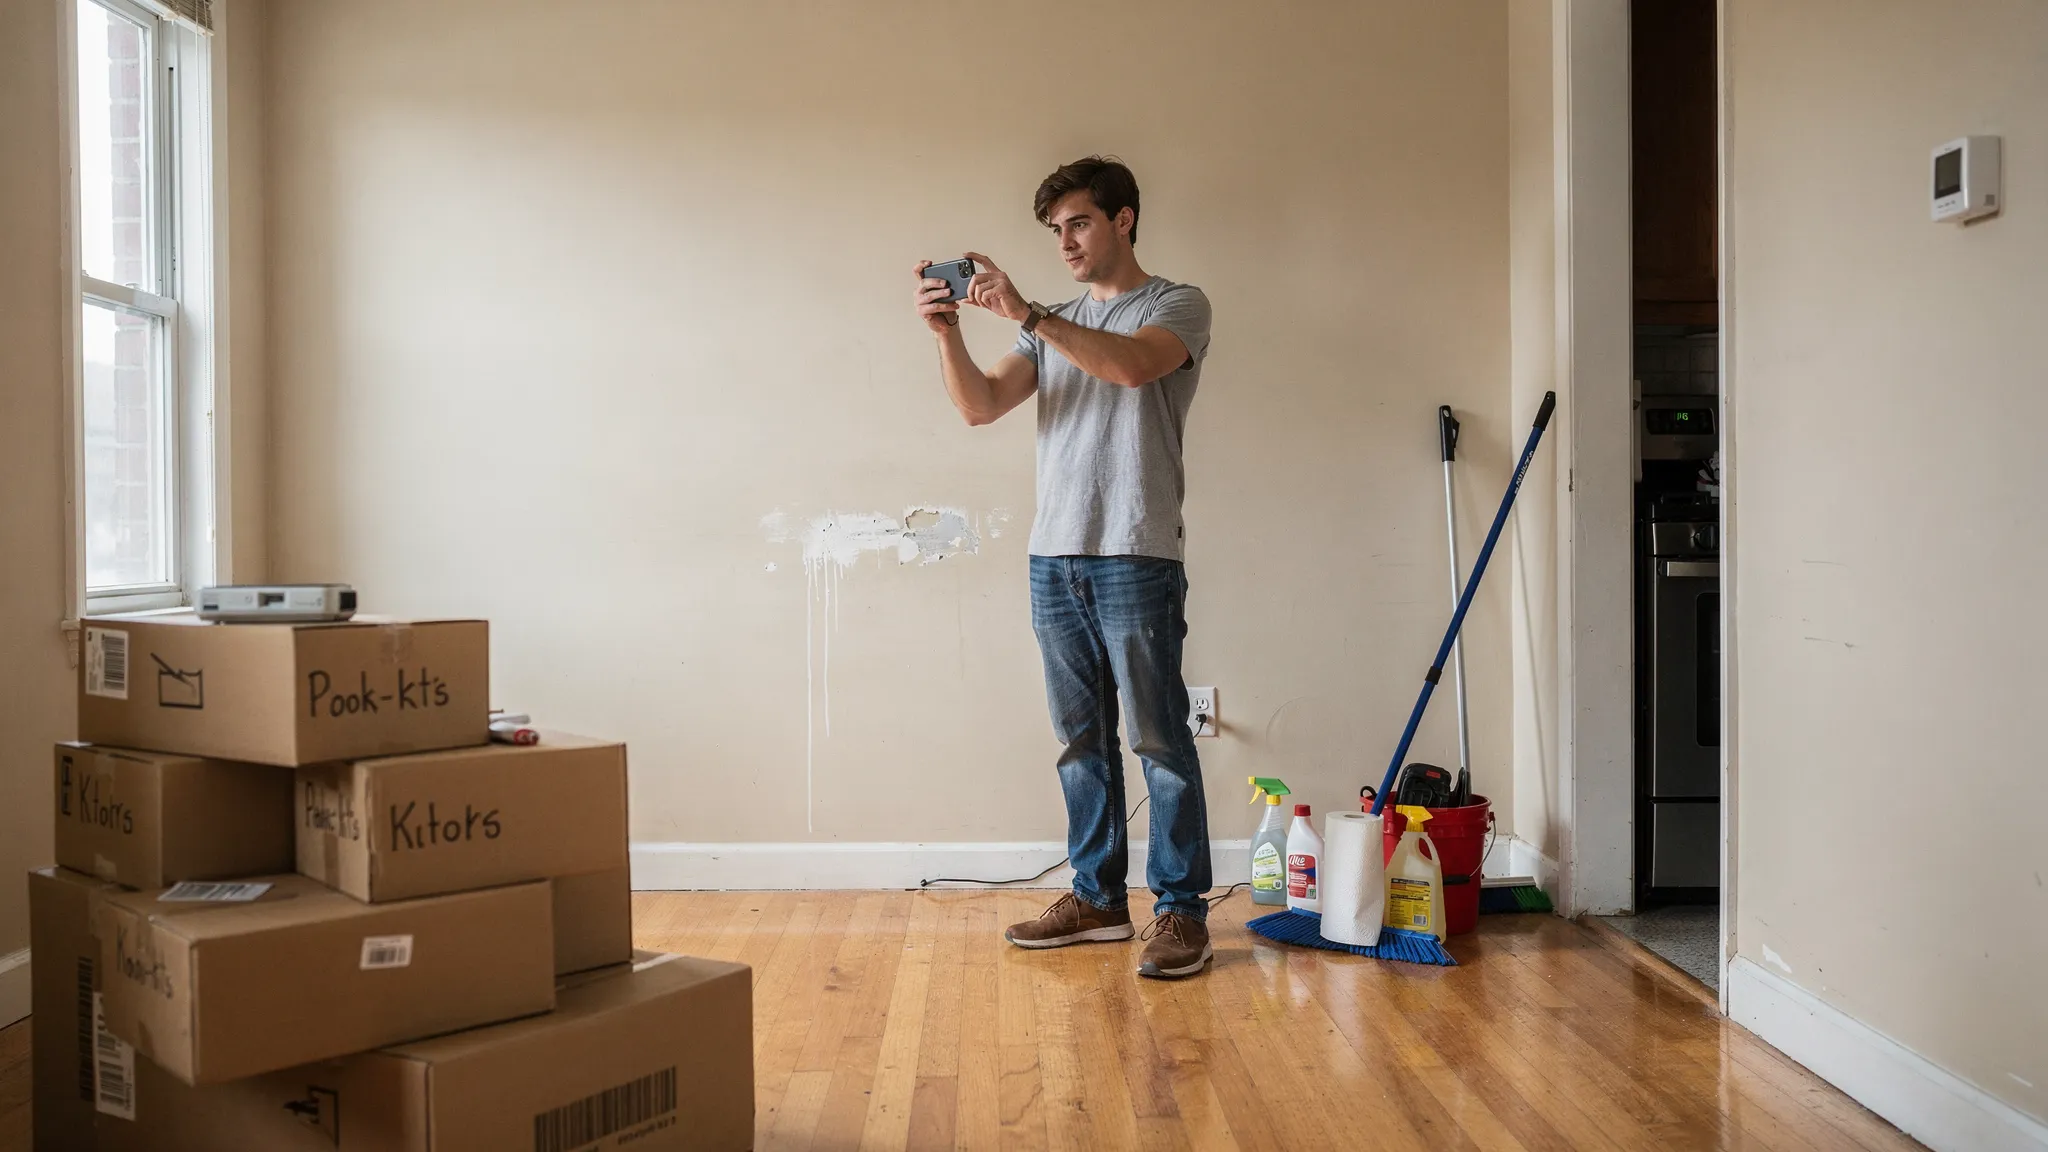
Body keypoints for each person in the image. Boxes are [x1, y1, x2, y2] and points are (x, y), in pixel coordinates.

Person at [911, 156, 1215, 979]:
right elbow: (979, 406)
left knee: (1158, 739)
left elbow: (1129, 367)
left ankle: (1183, 913)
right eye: (1056, 230)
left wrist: (1029, 312)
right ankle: (1098, 900)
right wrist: (949, 334)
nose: (1067, 241)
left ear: (1123, 220)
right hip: (1055, 555)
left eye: (1079, 222)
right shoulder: (1049, 321)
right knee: (1080, 742)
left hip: (1137, 551)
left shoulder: (1177, 304)